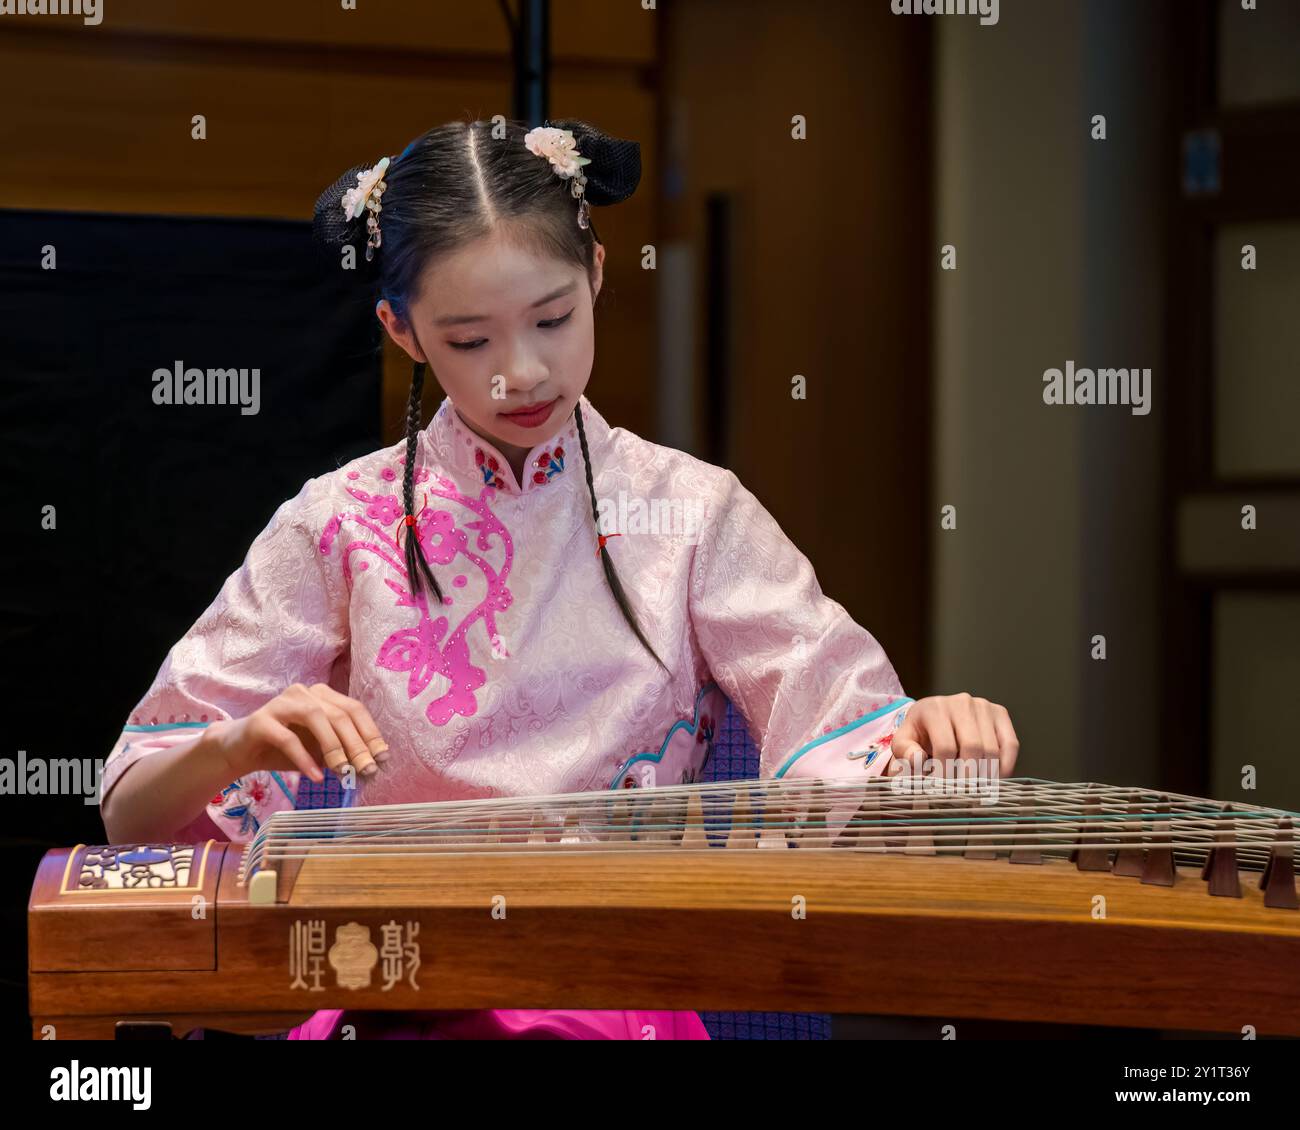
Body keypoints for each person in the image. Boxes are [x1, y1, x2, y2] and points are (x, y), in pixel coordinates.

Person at [99, 117, 1019, 1040]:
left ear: (600, 277)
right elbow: (133, 815)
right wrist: (237, 747)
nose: (522, 373)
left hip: (615, 983)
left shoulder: (692, 513)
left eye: (552, 319)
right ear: (401, 331)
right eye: (470, 341)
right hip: (404, 985)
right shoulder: (338, 522)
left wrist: (927, 743)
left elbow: (845, 735)